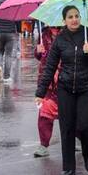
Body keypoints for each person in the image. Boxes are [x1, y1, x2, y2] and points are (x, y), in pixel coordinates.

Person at [35, 5, 88, 175]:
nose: (74, 19)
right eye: (70, 17)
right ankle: (68, 167)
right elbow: (50, 66)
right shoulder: (60, 39)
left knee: (85, 126)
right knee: (66, 128)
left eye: (77, 16)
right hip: (65, 88)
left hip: (87, 88)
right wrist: (41, 91)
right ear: (64, 20)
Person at [33, 25, 60, 157]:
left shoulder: (70, 32)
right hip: (47, 80)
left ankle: (76, 139)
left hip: (66, 78)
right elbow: (40, 56)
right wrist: (38, 51)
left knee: (72, 111)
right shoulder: (44, 34)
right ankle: (43, 144)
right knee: (45, 112)